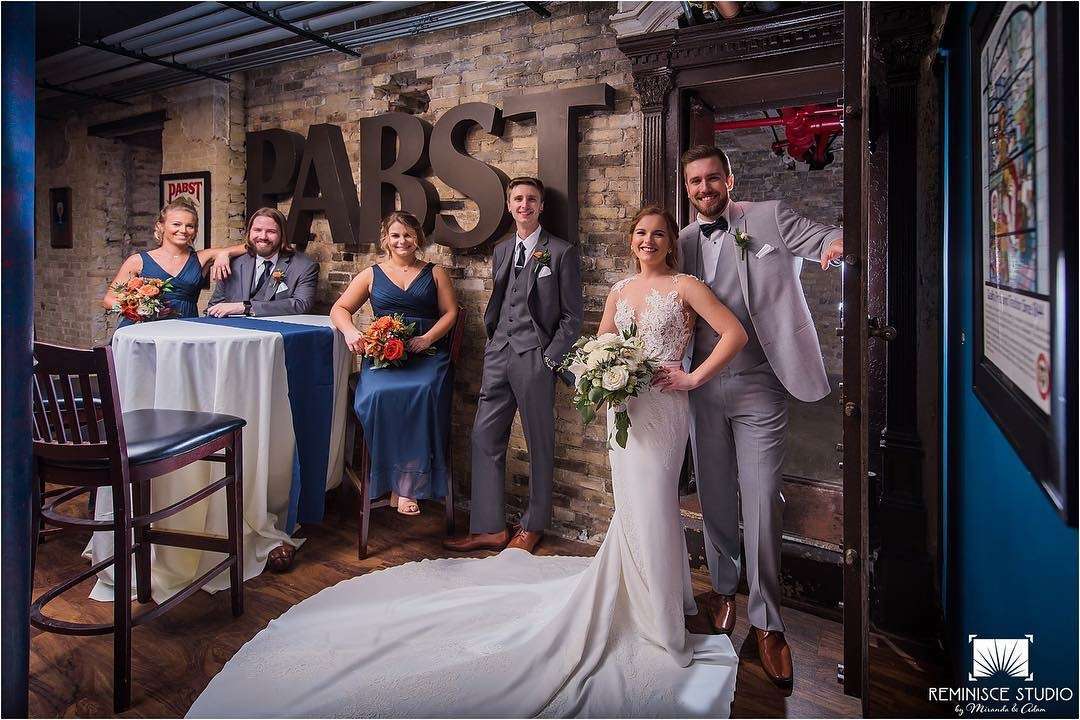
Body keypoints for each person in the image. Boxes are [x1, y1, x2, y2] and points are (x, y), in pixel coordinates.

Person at [186, 206, 749, 718]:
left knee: (655, 501)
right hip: (618, 404)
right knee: (633, 503)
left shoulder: (685, 285)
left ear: (670, 244)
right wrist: (599, 376)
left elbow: (732, 334)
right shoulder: (620, 289)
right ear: (631, 241)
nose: (647, 241)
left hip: (663, 407)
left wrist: (692, 377)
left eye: (657, 235)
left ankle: (656, 602)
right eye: (640, 233)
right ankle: (626, 586)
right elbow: (598, 339)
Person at [677, 144, 844, 686]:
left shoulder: (769, 217)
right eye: (694, 182)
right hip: (700, 386)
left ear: (729, 177)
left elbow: (823, 238)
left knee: (762, 498)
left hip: (761, 383)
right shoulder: (679, 241)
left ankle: (768, 621)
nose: (704, 189)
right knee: (716, 496)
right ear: (687, 188)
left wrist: (834, 244)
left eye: (711, 178)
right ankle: (724, 592)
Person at [443, 176, 583, 555]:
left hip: (535, 357)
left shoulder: (561, 252)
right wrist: (493, 342)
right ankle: (489, 528)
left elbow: (572, 316)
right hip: (498, 352)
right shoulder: (503, 249)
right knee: (484, 436)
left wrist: (550, 358)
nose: (524, 205)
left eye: (531, 199)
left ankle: (533, 525)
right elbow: (503, 298)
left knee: (539, 441)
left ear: (541, 207)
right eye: (518, 199)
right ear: (509, 205)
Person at [330, 211, 458, 517]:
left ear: (418, 239)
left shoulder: (435, 272)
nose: (403, 241)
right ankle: (396, 480)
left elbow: (451, 313)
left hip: (426, 354)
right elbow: (340, 308)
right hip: (383, 357)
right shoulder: (371, 274)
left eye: (409, 235)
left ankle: (405, 487)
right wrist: (350, 331)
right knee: (375, 397)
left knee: (423, 391)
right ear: (386, 239)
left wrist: (427, 338)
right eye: (396, 235)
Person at [102, 198, 243, 325]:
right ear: (161, 226)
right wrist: (137, 309)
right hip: (144, 330)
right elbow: (108, 300)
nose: (183, 230)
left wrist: (225, 252)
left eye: (190, 226)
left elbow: (250, 246)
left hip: (185, 329)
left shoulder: (202, 258)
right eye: (177, 224)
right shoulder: (137, 261)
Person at [206, 207, 319, 317]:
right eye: (257, 230)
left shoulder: (304, 266)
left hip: (276, 333)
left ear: (282, 235)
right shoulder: (232, 263)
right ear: (249, 232)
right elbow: (214, 307)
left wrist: (246, 307)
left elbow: (301, 304)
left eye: (271, 231)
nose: (263, 236)